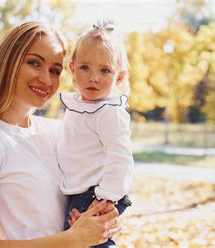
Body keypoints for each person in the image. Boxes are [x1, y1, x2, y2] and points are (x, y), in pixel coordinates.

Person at [0, 21, 120, 247]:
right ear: (8, 64)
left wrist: (101, 220)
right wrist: (72, 239)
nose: (46, 79)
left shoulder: (59, 133)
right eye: (34, 63)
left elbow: (106, 177)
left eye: (54, 70)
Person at [57, 19, 134, 247]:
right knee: (81, 240)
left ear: (119, 77)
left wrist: (105, 198)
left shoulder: (108, 112)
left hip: (97, 193)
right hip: (80, 189)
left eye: (105, 70)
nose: (93, 77)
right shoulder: (79, 106)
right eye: (85, 67)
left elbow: (120, 158)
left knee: (88, 241)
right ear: (72, 68)